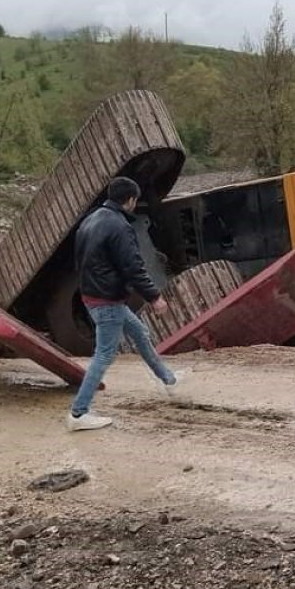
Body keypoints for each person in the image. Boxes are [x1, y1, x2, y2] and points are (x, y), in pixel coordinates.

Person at [67, 177, 177, 432]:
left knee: (140, 332)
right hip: (106, 299)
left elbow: (79, 260)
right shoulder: (119, 226)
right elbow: (133, 267)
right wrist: (154, 297)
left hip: (94, 295)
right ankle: (78, 413)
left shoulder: (91, 219)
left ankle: (167, 379)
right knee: (104, 354)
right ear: (130, 200)